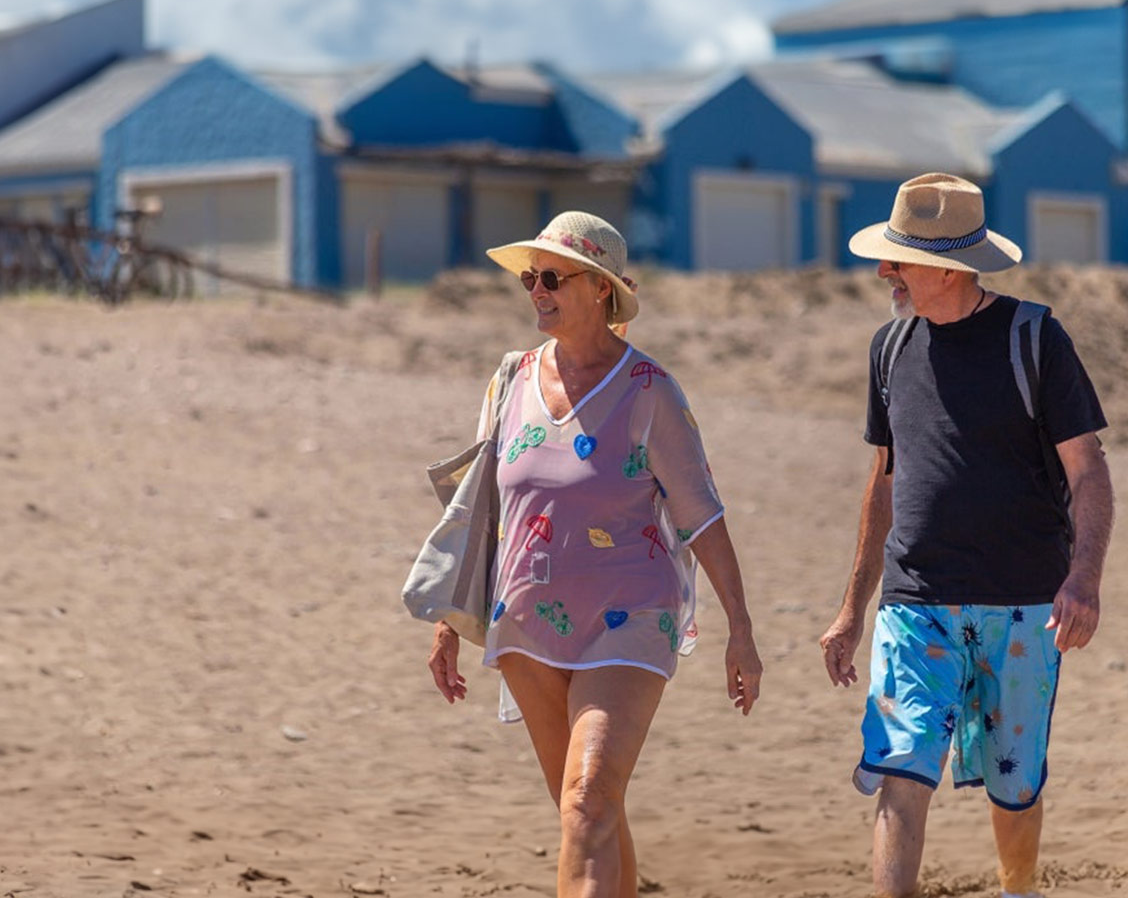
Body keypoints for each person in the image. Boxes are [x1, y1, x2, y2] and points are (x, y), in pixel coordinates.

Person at [425, 211, 763, 898]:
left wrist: (742, 630)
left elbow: (703, 516)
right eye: (530, 279)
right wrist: (448, 621)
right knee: (588, 813)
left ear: (601, 288)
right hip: (525, 621)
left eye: (552, 277)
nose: (536, 291)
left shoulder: (650, 392)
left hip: (630, 616)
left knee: (587, 801)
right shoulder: (510, 380)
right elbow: (480, 509)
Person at [818, 174, 1115, 898]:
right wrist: (853, 608)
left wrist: (1083, 579)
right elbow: (882, 484)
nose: (883, 270)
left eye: (898, 257)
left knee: (1015, 784)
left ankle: (1017, 890)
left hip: (1022, 605)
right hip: (915, 602)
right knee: (899, 766)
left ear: (950, 266)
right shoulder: (889, 348)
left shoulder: (1034, 338)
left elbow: (1090, 473)